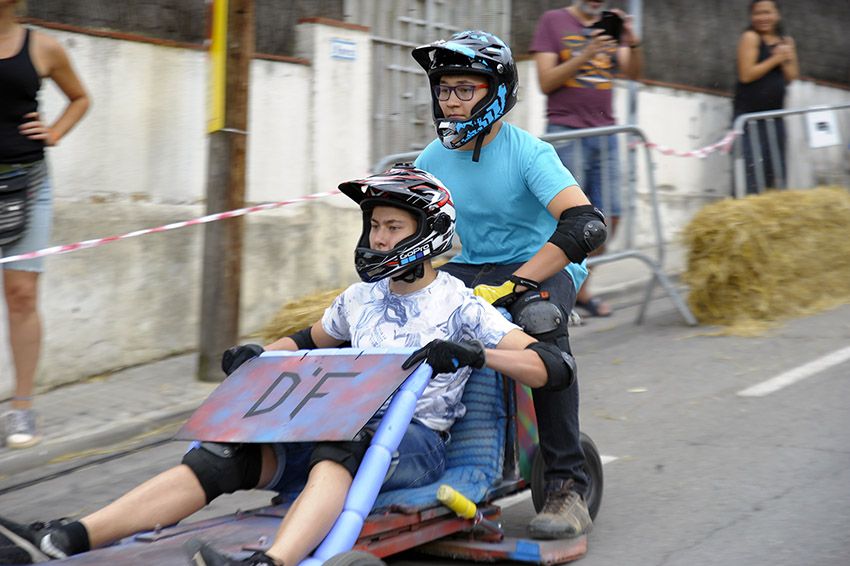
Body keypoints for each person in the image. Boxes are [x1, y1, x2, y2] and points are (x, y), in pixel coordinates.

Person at [0, 166, 577, 566]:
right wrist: (256, 354)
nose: (377, 237)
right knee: (225, 454)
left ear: (427, 236)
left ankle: (272, 562)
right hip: (340, 426)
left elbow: (550, 367)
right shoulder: (359, 300)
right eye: (373, 225)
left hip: (414, 441)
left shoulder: (459, 303)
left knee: (341, 443)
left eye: (392, 227)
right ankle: (69, 536)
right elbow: (304, 338)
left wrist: (476, 353)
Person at [411, 30, 607, 539]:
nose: (450, 101)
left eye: (463, 89)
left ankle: (567, 483)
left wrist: (519, 282)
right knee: (401, 318)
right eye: (444, 89)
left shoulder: (529, 153)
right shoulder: (432, 159)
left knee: (538, 323)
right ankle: (418, 462)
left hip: (540, 264)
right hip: (472, 266)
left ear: (495, 92)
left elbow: (586, 225)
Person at [0, 0, 90, 448]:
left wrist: (53, 132)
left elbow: (80, 98)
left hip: (26, 185)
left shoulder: (42, 47)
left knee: (21, 294)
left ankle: (21, 408)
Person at [530, 1, 642, 317]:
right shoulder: (553, 21)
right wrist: (588, 53)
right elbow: (546, 81)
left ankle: (580, 288)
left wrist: (631, 41)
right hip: (566, 132)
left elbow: (633, 73)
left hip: (606, 132)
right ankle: (551, 294)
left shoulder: (608, 26)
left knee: (610, 216)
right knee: (566, 220)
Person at [733, 0, 798, 195]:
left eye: (767, 12)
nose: (762, 18)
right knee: (750, 176)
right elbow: (746, 74)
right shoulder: (750, 37)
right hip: (750, 118)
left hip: (775, 118)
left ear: (777, 15)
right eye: (757, 13)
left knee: (775, 174)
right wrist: (776, 59)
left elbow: (792, 76)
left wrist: (785, 57)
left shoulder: (786, 41)